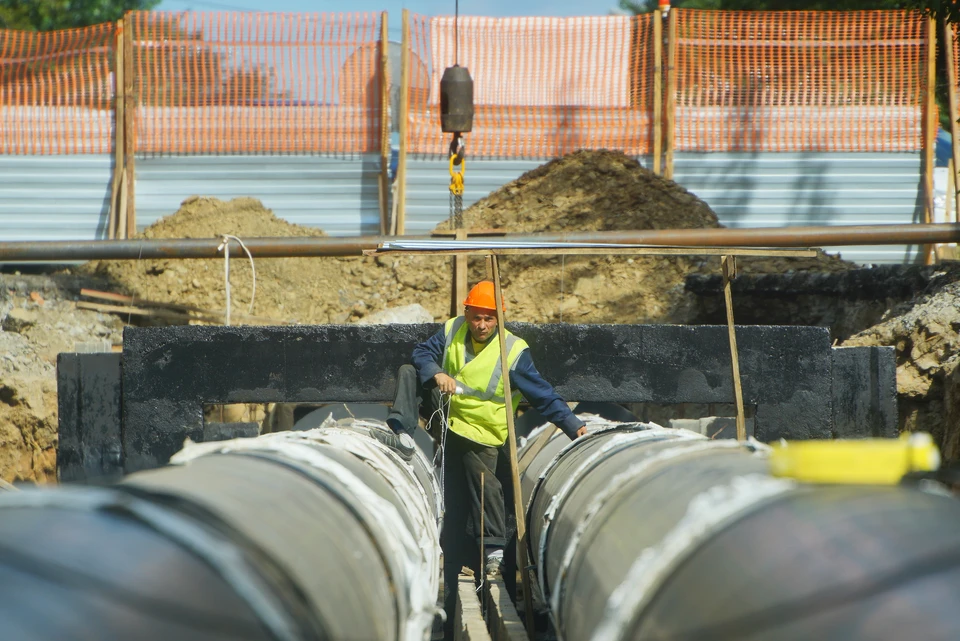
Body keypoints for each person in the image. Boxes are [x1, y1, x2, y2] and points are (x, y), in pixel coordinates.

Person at [386, 280, 587, 628]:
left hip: (485, 431)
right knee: (408, 370)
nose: (481, 325)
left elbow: (542, 394)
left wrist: (573, 425)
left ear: (499, 320)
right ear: (466, 313)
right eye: (477, 317)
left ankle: (492, 550)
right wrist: (436, 373)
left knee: (484, 481)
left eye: (489, 319)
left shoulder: (513, 350)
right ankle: (402, 431)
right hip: (448, 418)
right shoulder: (451, 330)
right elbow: (421, 354)